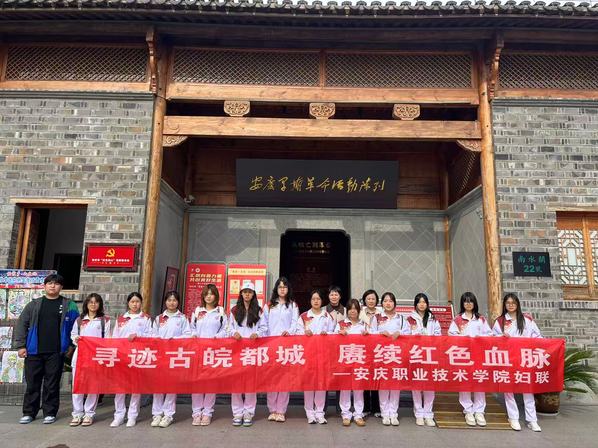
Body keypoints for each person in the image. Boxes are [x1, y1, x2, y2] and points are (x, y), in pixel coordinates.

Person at [15, 274, 79, 425]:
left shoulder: (69, 305)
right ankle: (29, 412)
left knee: (52, 384)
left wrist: (71, 346)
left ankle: (50, 412)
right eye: (49, 283)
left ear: (61, 287)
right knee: (32, 383)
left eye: (56, 284)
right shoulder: (34, 304)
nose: (52, 286)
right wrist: (21, 346)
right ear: (44, 286)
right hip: (34, 350)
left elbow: (75, 327)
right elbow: (22, 324)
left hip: (56, 351)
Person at [492, 293, 543, 432]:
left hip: (524, 359)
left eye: (513, 303)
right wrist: (501, 336)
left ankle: (532, 420)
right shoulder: (500, 321)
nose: (511, 305)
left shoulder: (527, 319)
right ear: (504, 305)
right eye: (508, 303)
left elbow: (537, 336)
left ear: (517, 304)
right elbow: (493, 339)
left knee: (527, 390)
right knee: (508, 390)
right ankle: (513, 417)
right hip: (507, 360)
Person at [448, 292, 493, 427]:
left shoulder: (481, 319)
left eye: (471, 301)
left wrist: (480, 338)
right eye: (466, 301)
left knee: (479, 381)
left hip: (478, 355)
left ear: (474, 303)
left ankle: (479, 411)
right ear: (462, 303)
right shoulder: (457, 319)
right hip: (464, 356)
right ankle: (468, 410)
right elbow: (451, 335)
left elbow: (489, 334)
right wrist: (463, 338)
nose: (468, 304)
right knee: (465, 382)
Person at [110, 292, 153, 428]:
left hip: (138, 356)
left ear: (141, 303)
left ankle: (132, 415)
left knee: (135, 388)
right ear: (128, 303)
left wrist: (138, 335)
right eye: (132, 302)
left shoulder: (145, 318)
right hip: (122, 356)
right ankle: (119, 415)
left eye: (137, 302)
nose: (135, 304)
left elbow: (151, 335)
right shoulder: (121, 319)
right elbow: (115, 338)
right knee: (120, 388)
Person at [229, 281, 268, 427]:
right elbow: (228, 327)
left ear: (253, 294)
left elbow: (264, 328)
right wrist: (234, 333)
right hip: (237, 350)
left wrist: (257, 334)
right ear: (241, 293)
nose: (247, 294)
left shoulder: (258, 310)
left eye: (250, 292)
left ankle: (249, 413)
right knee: (236, 383)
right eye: (245, 291)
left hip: (252, 350)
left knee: (251, 383)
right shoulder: (234, 310)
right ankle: (237, 413)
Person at [150, 291, 191, 428]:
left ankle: (168, 414)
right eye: (169, 300)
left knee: (171, 386)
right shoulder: (159, 318)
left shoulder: (182, 318)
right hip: (160, 355)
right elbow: (153, 334)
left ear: (178, 302)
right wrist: (160, 341)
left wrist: (175, 340)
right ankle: (157, 414)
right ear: (165, 302)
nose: (172, 303)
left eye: (174, 300)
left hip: (175, 356)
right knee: (158, 385)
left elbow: (188, 335)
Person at [70, 293, 111, 427]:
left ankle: (89, 413)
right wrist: (76, 339)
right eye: (90, 302)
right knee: (78, 385)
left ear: (100, 304)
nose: (93, 304)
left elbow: (107, 339)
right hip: (80, 356)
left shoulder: (104, 320)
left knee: (93, 385)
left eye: (96, 302)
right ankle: (77, 413)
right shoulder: (80, 320)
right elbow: (73, 334)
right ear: (86, 304)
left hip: (96, 357)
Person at [295, 289, 335, 424]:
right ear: (310, 301)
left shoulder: (327, 316)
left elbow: (333, 333)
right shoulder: (304, 316)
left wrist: (326, 334)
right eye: (313, 299)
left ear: (322, 301)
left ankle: (320, 412)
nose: (316, 301)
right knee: (309, 384)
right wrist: (304, 333)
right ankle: (309, 413)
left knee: (321, 384)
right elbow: (297, 333)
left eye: (318, 299)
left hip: (323, 354)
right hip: (308, 354)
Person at [190, 284, 227, 426]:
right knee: (197, 382)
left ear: (216, 296)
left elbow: (226, 329)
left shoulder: (221, 312)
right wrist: (194, 335)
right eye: (206, 294)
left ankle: (207, 413)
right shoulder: (197, 311)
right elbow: (191, 328)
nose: (209, 296)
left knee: (210, 383)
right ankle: (196, 413)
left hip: (214, 352)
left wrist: (217, 337)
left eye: (211, 294)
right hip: (198, 351)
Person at [264, 277, 299, 423]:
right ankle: (272, 409)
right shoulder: (269, 305)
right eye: (280, 287)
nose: (282, 289)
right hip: (271, 345)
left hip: (286, 346)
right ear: (276, 289)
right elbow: (264, 324)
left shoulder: (292, 305)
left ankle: (281, 410)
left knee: (284, 379)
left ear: (288, 289)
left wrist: (289, 331)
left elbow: (295, 323)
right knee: (272, 378)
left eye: (285, 287)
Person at [373, 291, 410, 426]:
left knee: (395, 385)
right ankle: (385, 413)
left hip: (396, 355)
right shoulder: (377, 318)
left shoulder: (401, 318)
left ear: (394, 303)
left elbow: (408, 332)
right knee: (383, 384)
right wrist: (380, 333)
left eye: (390, 301)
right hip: (381, 355)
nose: (388, 303)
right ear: (382, 303)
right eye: (385, 301)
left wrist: (399, 333)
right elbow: (371, 333)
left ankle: (393, 413)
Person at [408, 293, 442, 427]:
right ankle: (418, 413)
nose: (422, 304)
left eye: (424, 302)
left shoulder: (433, 318)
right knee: (416, 385)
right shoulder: (410, 319)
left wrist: (430, 338)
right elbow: (405, 335)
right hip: (416, 354)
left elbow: (438, 334)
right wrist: (415, 336)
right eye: (419, 302)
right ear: (415, 304)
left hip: (430, 355)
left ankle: (428, 413)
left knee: (429, 385)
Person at [335, 298, 369, 427]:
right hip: (345, 360)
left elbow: (371, 340)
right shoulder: (341, 324)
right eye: (350, 309)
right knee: (345, 388)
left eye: (355, 309)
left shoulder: (364, 324)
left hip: (360, 361)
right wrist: (339, 334)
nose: (352, 311)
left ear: (359, 310)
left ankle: (358, 414)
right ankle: (345, 414)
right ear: (347, 311)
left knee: (358, 388)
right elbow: (332, 339)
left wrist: (367, 335)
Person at [359, 289, 381, 418]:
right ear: (365, 300)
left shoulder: (381, 313)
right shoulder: (359, 313)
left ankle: (377, 408)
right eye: (368, 299)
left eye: (373, 298)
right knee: (365, 378)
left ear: (376, 300)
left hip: (378, 350)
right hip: (363, 350)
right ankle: (366, 407)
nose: (371, 301)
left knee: (377, 377)